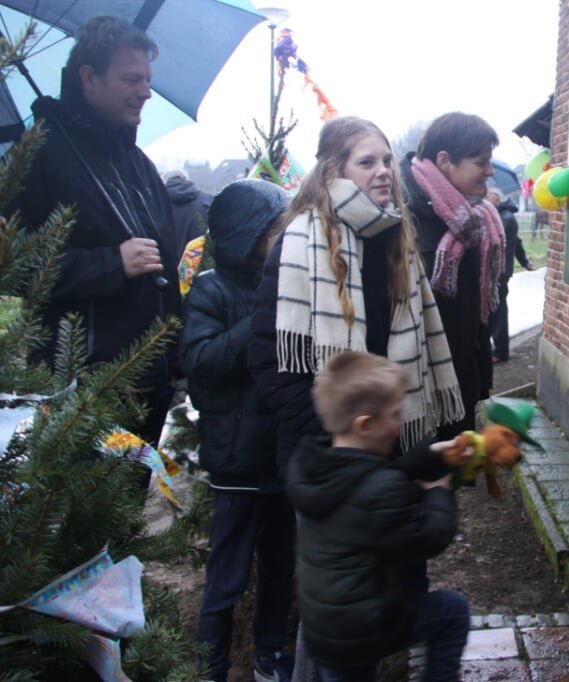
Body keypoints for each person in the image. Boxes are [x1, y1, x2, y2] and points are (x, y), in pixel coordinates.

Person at [248, 116, 467, 680]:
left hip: (391, 437)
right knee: (336, 593)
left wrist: (409, 440)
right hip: (329, 453)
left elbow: (421, 343)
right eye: (366, 161)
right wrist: (335, 437)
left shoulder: (397, 237)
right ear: (333, 170)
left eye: (387, 160)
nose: (382, 172)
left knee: (402, 576)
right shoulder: (299, 243)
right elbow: (270, 359)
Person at [10, 15, 182, 446]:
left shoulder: (138, 163)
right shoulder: (38, 156)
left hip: (150, 384)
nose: (145, 92)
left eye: (147, 79)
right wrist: (111, 263)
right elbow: (14, 267)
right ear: (89, 78)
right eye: (131, 79)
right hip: (81, 391)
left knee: (128, 512)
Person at [289, 351, 470, 682]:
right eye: (395, 414)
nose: (400, 421)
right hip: (364, 631)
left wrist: (430, 454)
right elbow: (431, 535)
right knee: (453, 612)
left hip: (325, 629)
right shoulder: (377, 490)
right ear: (366, 425)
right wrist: (440, 491)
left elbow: (372, 480)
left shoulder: (314, 467)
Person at [178, 179, 294, 682]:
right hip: (236, 466)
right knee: (226, 577)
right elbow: (200, 361)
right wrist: (258, 319)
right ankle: (211, 668)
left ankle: (270, 657)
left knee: (278, 570)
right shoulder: (211, 290)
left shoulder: (289, 283)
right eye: (275, 229)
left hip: (282, 460)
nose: (285, 238)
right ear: (247, 236)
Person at [400, 112, 505, 438]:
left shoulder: (473, 218)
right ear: (445, 161)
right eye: (481, 162)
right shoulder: (401, 215)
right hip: (418, 389)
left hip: (461, 373)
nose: (489, 171)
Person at [485, 188, 533, 363]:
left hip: (499, 271)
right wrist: (525, 262)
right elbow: (518, 242)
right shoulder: (501, 215)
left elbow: (493, 237)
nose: (484, 200)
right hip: (497, 270)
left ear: (496, 199)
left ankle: (501, 351)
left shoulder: (505, 217)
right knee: (493, 308)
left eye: (487, 197)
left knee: (498, 310)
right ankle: (493, 347)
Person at [162, 169, 212, 265]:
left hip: (168, 270)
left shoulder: (155, 206)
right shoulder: (209, 201)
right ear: (187, 179)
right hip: (202, 267)